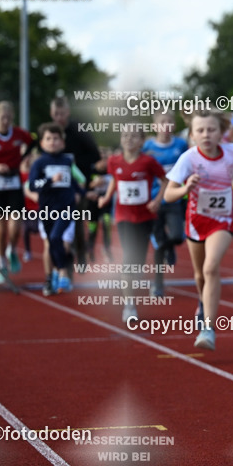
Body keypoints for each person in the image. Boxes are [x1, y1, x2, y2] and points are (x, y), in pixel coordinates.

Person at [163, 110, 233, 350]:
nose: (206, 134)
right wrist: (186, 188)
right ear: (192, 134)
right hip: (197, 220)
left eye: (211, 129)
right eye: (200, 130)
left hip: (223, 218)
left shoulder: (229, 152)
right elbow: (168, 194)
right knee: (200, 275)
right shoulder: (188, 159)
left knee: (210, 267)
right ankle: (202, 300)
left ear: (221, 132)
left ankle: (208, 328)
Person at [99, 126, 167, 323]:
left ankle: (131, 286)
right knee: (129, 257)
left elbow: (165, 180)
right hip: (123, 216)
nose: (129, 139)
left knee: (138, 260)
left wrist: (157, 200)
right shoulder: (114, 161)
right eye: (125, 135)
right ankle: (129, 305)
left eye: (134, 136)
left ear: (142, 141)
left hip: (145, 217)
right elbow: (115, 180)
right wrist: (106, 197)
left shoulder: (148, 161)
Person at [26, 123, 84, 296]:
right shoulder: (40, 163)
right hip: (47, 208)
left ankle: (63, 273)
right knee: (53, 242)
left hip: (66, 207)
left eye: (56, 138)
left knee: (56, 237)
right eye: (48, 139)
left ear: (62, 142)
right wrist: (50, 180)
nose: (52, 142)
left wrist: (84, 193)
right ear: (42, 143)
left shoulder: (67, 161)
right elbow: (33, 185)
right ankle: (56, 273)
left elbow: (72, 182)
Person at [0, 101, 33, 283]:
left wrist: (24, 158)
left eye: (8, 118)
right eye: (2, 117)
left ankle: (11, 250)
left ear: (12, 118)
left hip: (14, 183)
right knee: (0, 230)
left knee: (15, 226)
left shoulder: (19, 134)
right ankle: (1, 264)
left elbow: (33, 142)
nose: (5, 121)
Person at [50, 96, 102, 267]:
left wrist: (74, 162)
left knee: (77, 222)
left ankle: (79, 254)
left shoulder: (79, 130)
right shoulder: (50, 134)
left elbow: (95, 155)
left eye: (62, 114)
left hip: (78, 185)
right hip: (56, 187)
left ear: (68, 113)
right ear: (51, 114)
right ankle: (62, 260)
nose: (59, 118)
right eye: (56, 114)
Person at [142, 112, 188, 296]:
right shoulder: (148, 147)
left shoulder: (181, 145)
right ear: (155, 126)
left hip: (174, 199)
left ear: (174, 126)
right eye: (162, 122)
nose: (166, 125)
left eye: (170, 121)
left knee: (178, 236)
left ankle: (171, 246)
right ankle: (158, 284)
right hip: (153, 200)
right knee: (158, 244)